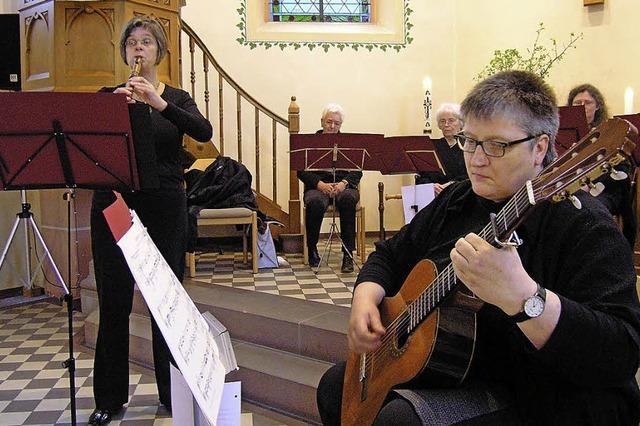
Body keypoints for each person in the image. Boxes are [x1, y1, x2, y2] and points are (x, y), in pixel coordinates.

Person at [317, 71, 640, 425]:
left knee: (401, 421)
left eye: (497, 145)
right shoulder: (458, 199)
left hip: (544, 391)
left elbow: (621, 352)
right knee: (334, 386)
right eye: (470, 141)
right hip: (464, 368)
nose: (477, 158)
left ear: (541, 148)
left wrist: (524, 297)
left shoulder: (585, 225)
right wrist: (364, 296)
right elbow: (390, 254)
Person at [88, 16, 213, 426]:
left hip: (163, 205)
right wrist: (118, 108)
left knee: (166, 302)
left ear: (159, 51)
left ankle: (170, 392)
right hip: (115, 204)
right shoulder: (110, 96)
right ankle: (108, 398)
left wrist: (157, 104)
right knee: (114, 301)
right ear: (124, 51)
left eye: (146, 42)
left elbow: (202, 129)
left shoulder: (175, 97)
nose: (138, 49)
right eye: (131, 43)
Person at [567, 84, 635, 246]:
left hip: (607, 188)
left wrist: (587, 185)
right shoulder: (565, 134)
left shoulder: (608, 132)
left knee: (588, 205)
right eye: (577, 103)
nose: (583, 107)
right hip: (570, 189)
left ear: (597, 106)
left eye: (588, 102)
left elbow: (621, 168)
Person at [297, 103, 361, 273]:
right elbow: (301, 171)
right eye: (329, 122)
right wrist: (320, 185)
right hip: (317, 185)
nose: (332, 127)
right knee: (315, 203)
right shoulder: (309, 142)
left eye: (337, 123)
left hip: (344, 185)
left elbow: (357, 171)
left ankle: (348, 254)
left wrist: (343, 184)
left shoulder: (348, 142)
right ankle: (312, 249)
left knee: (348, 199)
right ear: (322, 121)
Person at [415, 103, 468, 195]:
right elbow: (422, 176)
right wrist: (431, 186)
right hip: (433, 195)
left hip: (460, 195)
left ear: (461, 123)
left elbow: (471, 176)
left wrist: (451, 184)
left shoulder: (468, 146)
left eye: (451, 120)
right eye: (442, 121)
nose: (446, 124)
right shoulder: (431, 146)